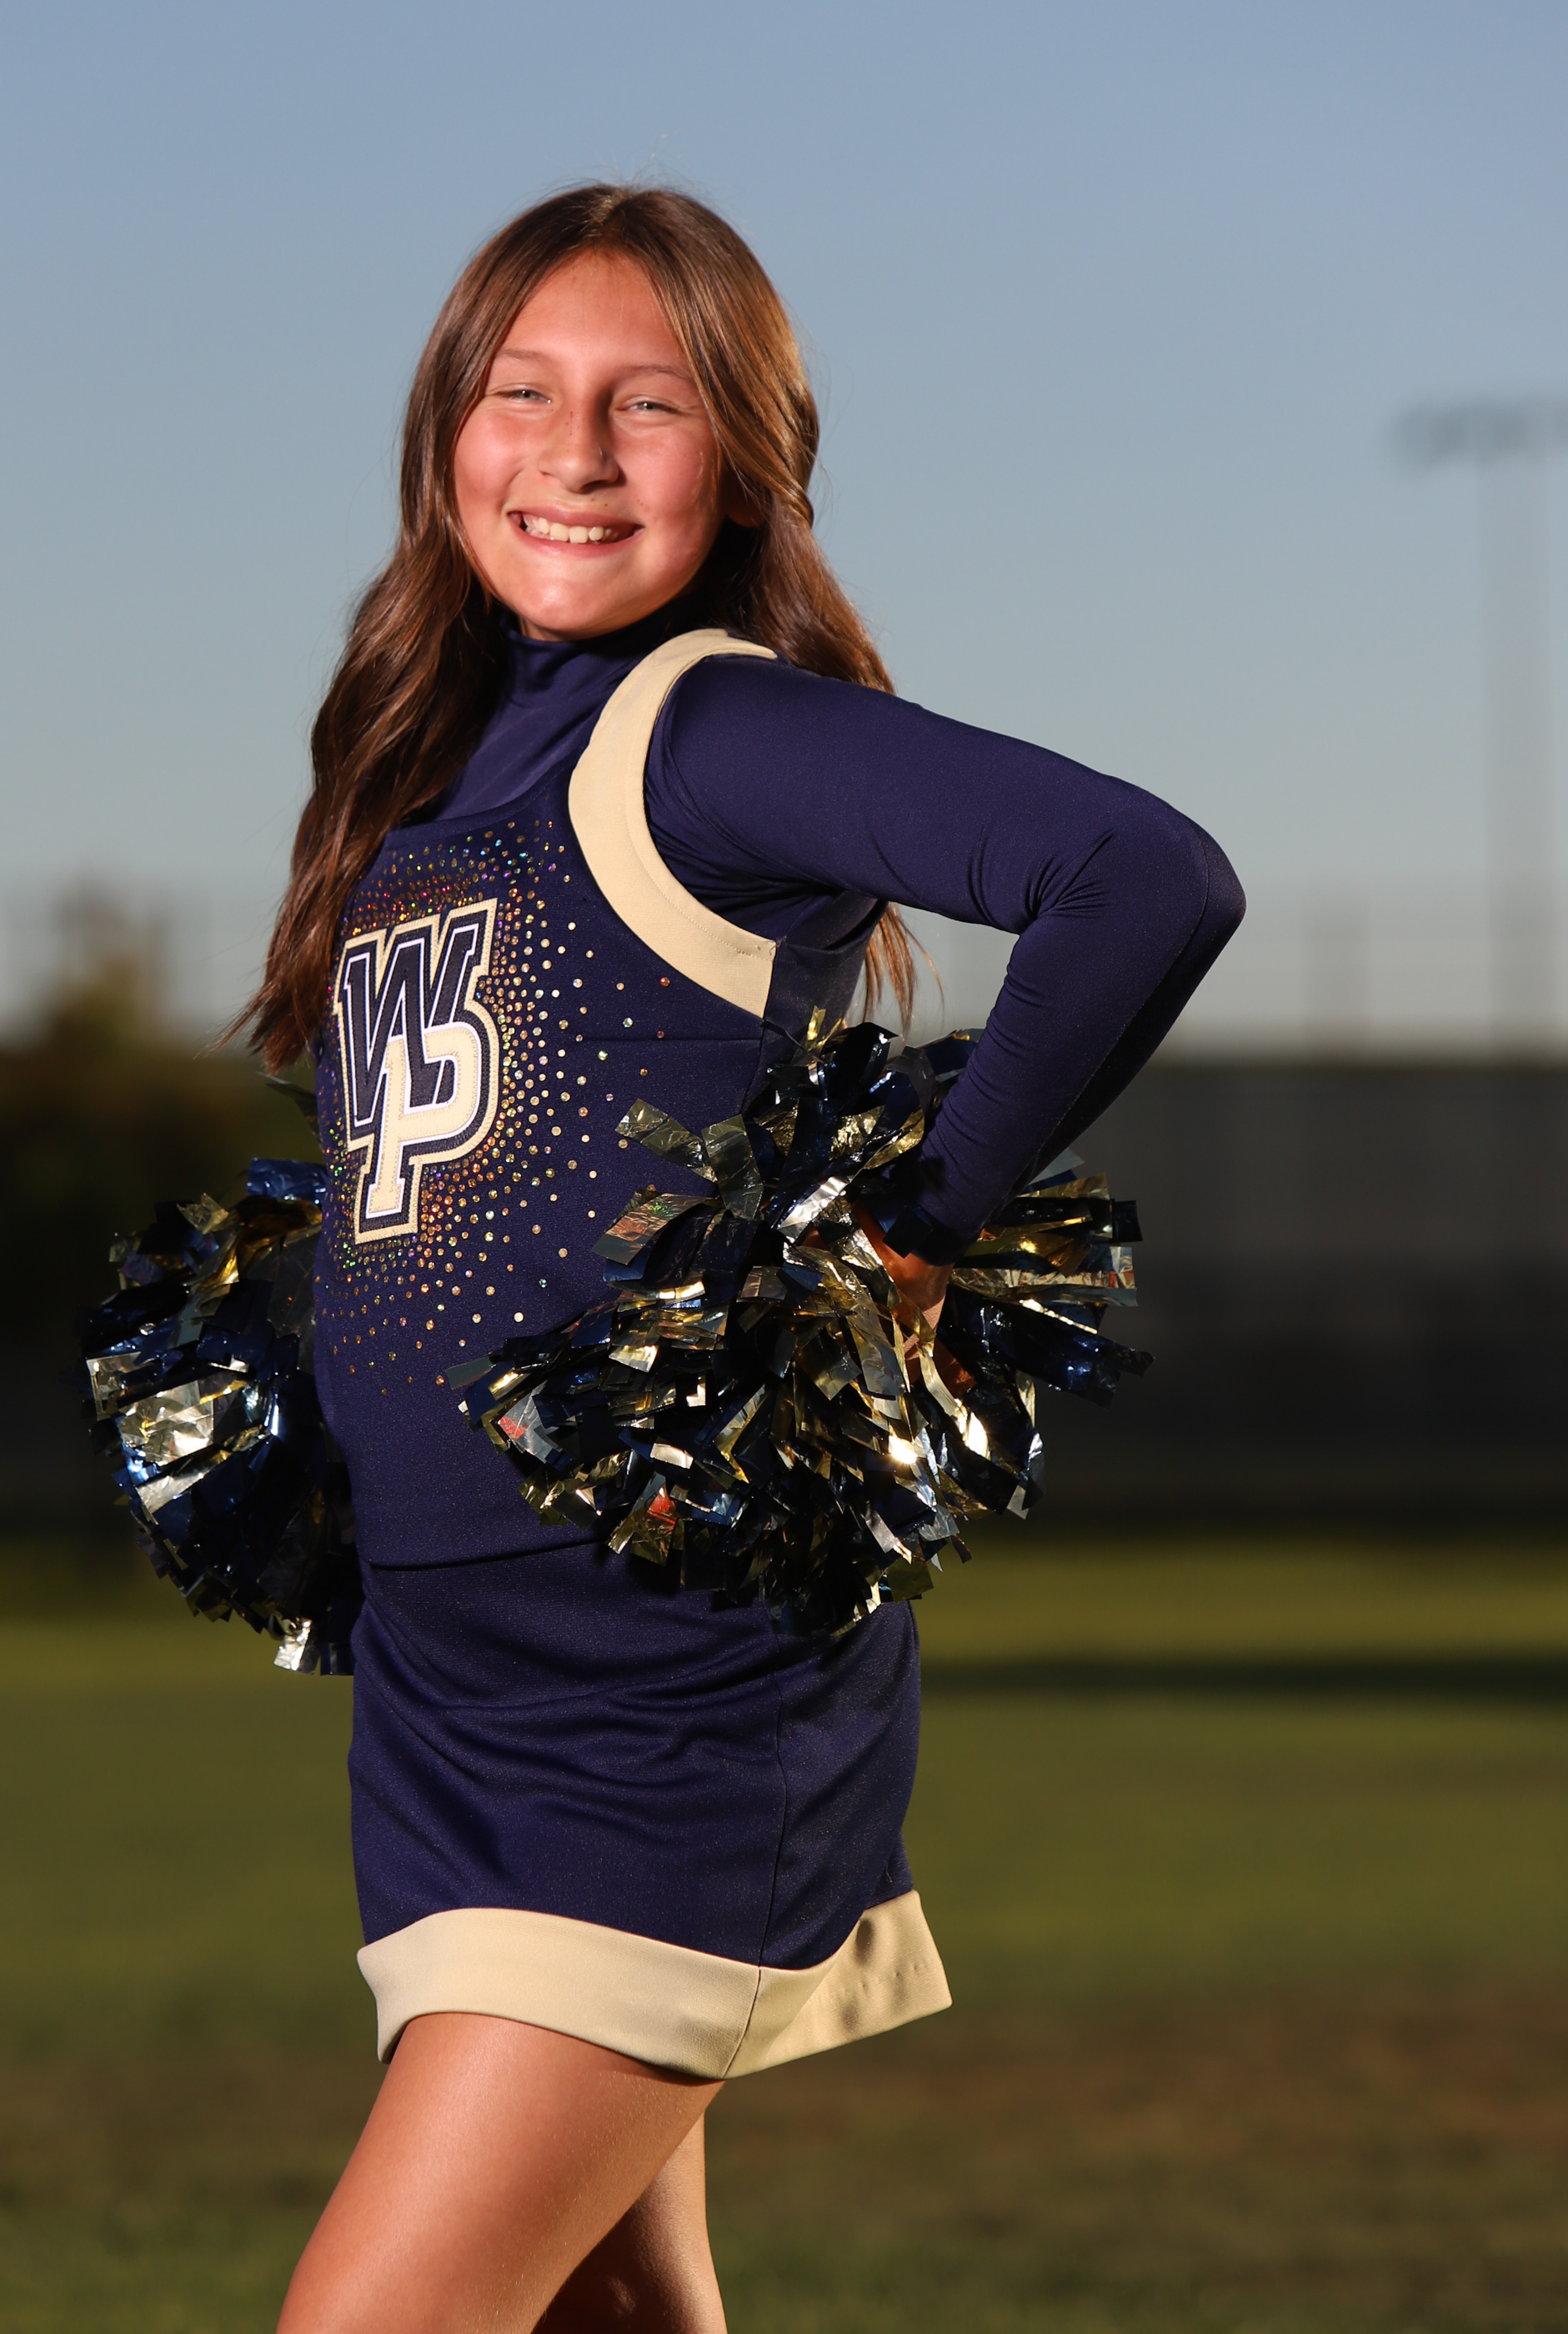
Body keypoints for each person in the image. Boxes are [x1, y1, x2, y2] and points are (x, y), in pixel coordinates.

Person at [242, 184, 1243, 2334]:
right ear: (442, 437)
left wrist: (923, 1223)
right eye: (521, 395)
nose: (575, 454)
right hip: (446, 1704)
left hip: (658, 1698)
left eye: (651, 403)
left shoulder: (712, 734)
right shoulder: (419, 775)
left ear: (748, 459)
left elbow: (1142, 876)